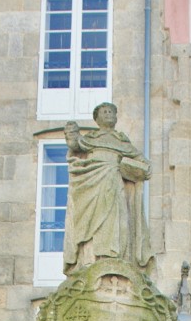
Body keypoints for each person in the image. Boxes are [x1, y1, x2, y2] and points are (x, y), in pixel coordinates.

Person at [63, 102, 153, 275]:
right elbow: (75, 145)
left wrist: (131, 167)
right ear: (97, 118)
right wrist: (71, 133)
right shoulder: (91, 138)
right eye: (104, 112)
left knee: (116, 216)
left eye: (112, 111)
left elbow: (143, 162)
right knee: (91, 217)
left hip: (114, 179)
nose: (109, 114)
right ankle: (89, 258)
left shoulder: (121, 141)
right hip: (92, 180)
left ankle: (114, 255)